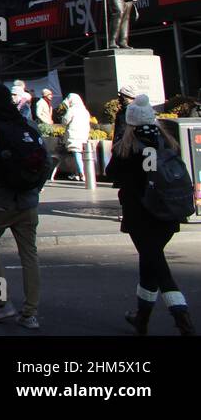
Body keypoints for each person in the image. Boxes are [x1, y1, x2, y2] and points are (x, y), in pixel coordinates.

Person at [107, 95, 194, 335]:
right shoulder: (167, 142)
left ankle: (183, 318)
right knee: (149, 264)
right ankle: (141, 319)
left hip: (141, 217)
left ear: (131, 122)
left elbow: (111, 172)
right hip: (167, 214)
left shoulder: (128, 148)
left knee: (158, 268)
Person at [0, 83, 45, 329]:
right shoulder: (28, 125)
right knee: (29, 253)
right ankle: (30, 311)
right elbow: (44, 160)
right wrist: (35, 188)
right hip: (27, 200)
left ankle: (2, 301)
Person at [61, 93, 91, 181]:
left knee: (76, 153)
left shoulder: (72, 110)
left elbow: (65, 121)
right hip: (84, 134)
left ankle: (81, 173)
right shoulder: (85, 111)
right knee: (80, 154)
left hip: (74, 134)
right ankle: (77, 173)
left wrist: (66, 109)